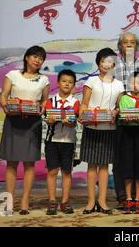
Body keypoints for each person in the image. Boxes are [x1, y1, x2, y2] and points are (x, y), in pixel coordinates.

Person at [0, 45, 50, 215]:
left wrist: (42, 108)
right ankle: (9, 202)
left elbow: (44, 101)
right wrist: (5, 105)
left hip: (32, 123)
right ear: (27, 57)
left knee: (29, 163)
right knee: (11, 163)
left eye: (41, 58)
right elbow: (4, 95)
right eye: (35, 56)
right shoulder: (12, 75)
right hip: (13, 121)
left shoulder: (44, 80)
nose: (38, 60)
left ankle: (25, 202)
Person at [78, 48, 124, 214]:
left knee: (104, 167)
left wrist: (116, 112)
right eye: (103, 60)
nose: (106, 64)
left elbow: (119, 107)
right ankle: (90, 202)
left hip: (109, 128)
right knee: (91, 166)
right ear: (98, 62)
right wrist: (81, 114)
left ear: (113, 64)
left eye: (109, 61)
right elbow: (84, 103)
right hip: (91, 127)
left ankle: (103, 202)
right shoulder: (91, 81)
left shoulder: (119, 85)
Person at [112, 32, 139, 210]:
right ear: (120, 46)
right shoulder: (113, 65)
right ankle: (122, 197)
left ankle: (136, 197)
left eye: (132, 42)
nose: (128, 45)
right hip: (120, 119)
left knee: (138, 159)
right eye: (125, 42)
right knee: (120, 158)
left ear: (136, 46)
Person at [44, 69, 79, 215]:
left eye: (70, 82)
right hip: (52, 141)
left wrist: (70, 122)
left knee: (66, 172)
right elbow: (48, 118)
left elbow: (74, 120)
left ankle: (64, 201)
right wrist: (51, 120)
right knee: (52, 171)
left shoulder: (75, 102)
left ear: (74, 85)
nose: (67, 84)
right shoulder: (50, 101)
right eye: (64, 81)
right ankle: (52, 201)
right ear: (58, 83)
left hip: (68, 142)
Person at [117, 72, 139, 214]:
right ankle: (129, 198)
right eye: (132, 83)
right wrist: (126, 118)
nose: (135, 86)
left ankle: (138, 199)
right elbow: (122, 116)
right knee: (127, 166)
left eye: (138, 83)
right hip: (126, 134)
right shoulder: (124, 98)